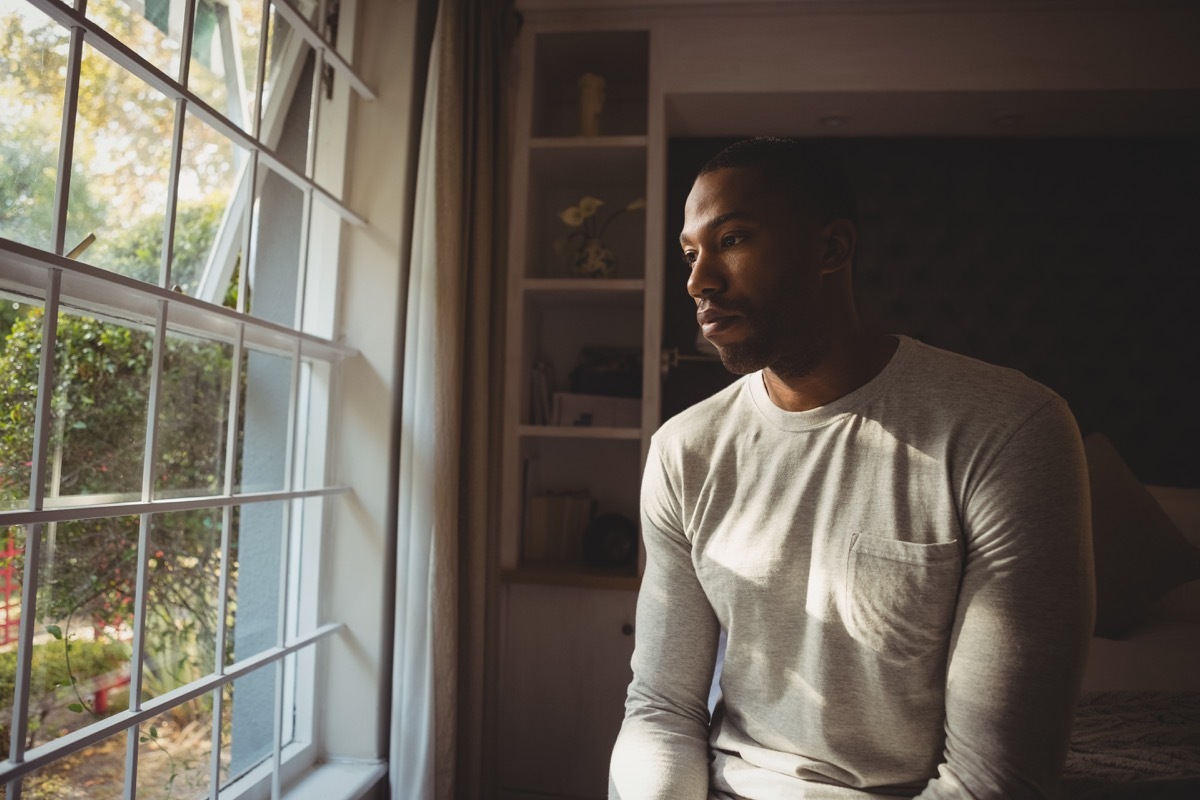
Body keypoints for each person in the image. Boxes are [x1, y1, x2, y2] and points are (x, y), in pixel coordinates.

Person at [609, 137, 1095, 799]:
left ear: (831, 249)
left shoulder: (1009, 429)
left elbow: (994, 780)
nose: (698, 281)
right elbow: (662, 708)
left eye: (733, 239)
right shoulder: (683, 450)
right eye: (690, 253)